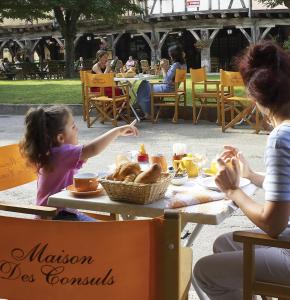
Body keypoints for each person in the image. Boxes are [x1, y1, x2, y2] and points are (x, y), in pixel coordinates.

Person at [193, 41, 290, 300]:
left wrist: (233, 190)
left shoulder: (282, 136)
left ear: (254, 95)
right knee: (223, 243)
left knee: (204, 271)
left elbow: (273, 224)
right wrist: (251, 175)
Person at [19, 105, 138, 221]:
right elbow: (92, 149)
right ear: (60, 138)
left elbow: (87, 153)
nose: (77, 129)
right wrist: (117, 131)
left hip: (55, 213)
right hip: (56, 217)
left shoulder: (51, 153)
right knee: (106, 235)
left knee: (105, 232)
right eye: (73, 127)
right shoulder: (61, 154)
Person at [136, 45, 187, 119]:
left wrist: (163, 68)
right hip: (174, 87)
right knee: (146, 85)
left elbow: (166, 80)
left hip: (168, 88)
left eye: (170, 54)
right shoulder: (183, 64)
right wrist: (167, 68)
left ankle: (147, 113)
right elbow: (171, 78)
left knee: (143, 85)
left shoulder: (176, 65)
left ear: (173, 55)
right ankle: (149, 109)